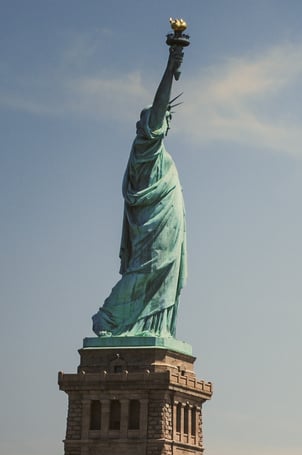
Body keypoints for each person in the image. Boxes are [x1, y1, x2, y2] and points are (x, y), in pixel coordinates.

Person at [91, 40, 188, 339]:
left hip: (166, 223)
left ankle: (153, 327)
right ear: (147, 125)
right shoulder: (146, 147)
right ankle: (108, 318)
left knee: (162, 273)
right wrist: (170, 68)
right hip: (152, 227)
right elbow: (159, 108)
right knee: (146, 270)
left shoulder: (156, 154)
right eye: (161, 118)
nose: (166, 121)